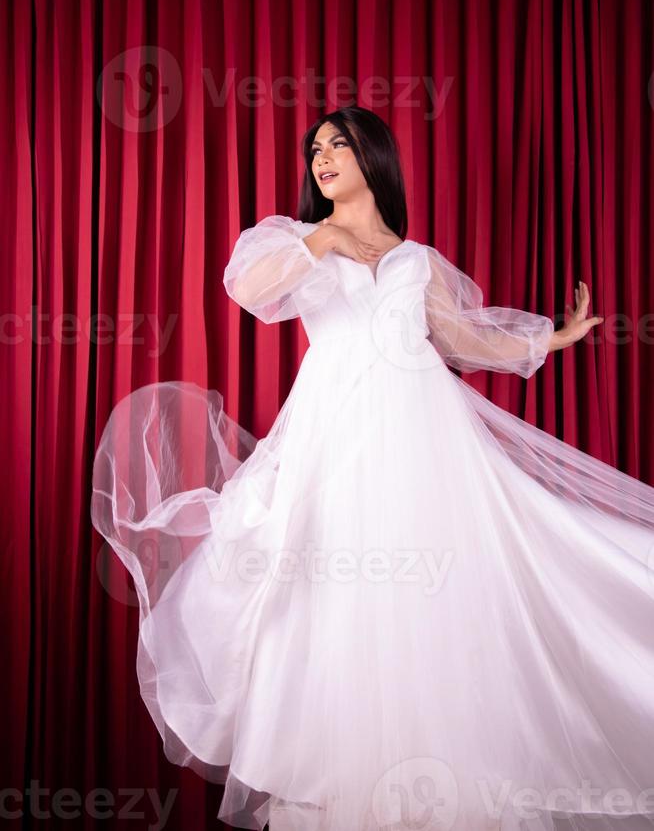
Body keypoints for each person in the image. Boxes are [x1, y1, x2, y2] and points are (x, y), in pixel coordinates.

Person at [91, 106, 654, 831]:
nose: (322, 158)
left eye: (339, 145)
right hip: (334, 440)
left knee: (443, 595)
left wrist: (557, 336)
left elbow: (460, 337)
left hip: (426, 442)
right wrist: (322, 237)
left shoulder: (415, 258)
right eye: (316, 149)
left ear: (373, 157)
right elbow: (249, 288)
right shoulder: (294, 238)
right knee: (329, 598)